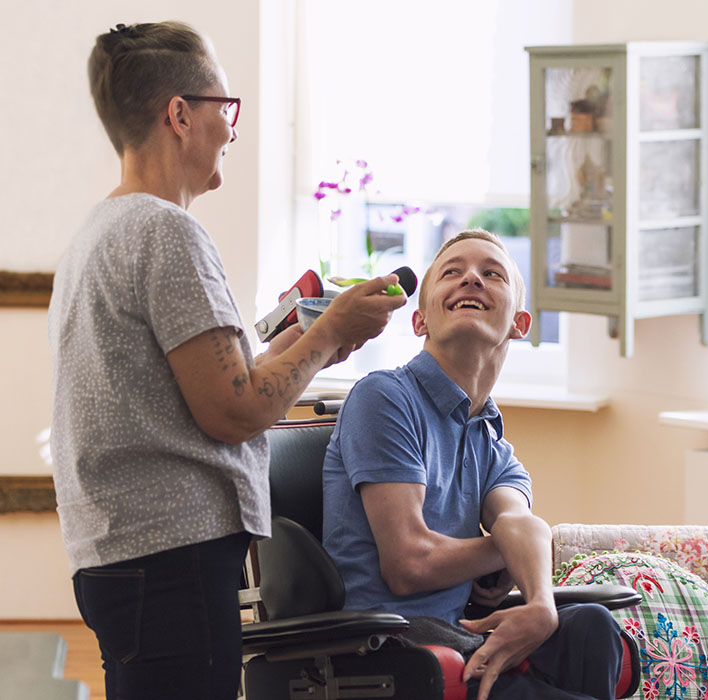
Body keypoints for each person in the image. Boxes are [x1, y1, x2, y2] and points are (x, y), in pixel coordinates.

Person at [47, 21, 406, 700]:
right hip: (172, 561)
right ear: (179, 114)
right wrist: (327, 332)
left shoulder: (101, 231)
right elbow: (236, 410)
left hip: (123, 557)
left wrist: (296, 343)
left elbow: (198, 388)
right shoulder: (166, 232)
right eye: (226, 109)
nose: (233, 131)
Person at [322, 229, 627, 700]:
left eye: (491, 273)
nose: (471, 279)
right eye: (452, 272)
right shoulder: (383, 397)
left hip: (459, 636)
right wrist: (506, 549)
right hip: (392, 648)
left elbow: (521, 522)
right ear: (420, 320)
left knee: (591, 625)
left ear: (519, 324)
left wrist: (541, 603)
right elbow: (408, 563)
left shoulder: (490, 441)